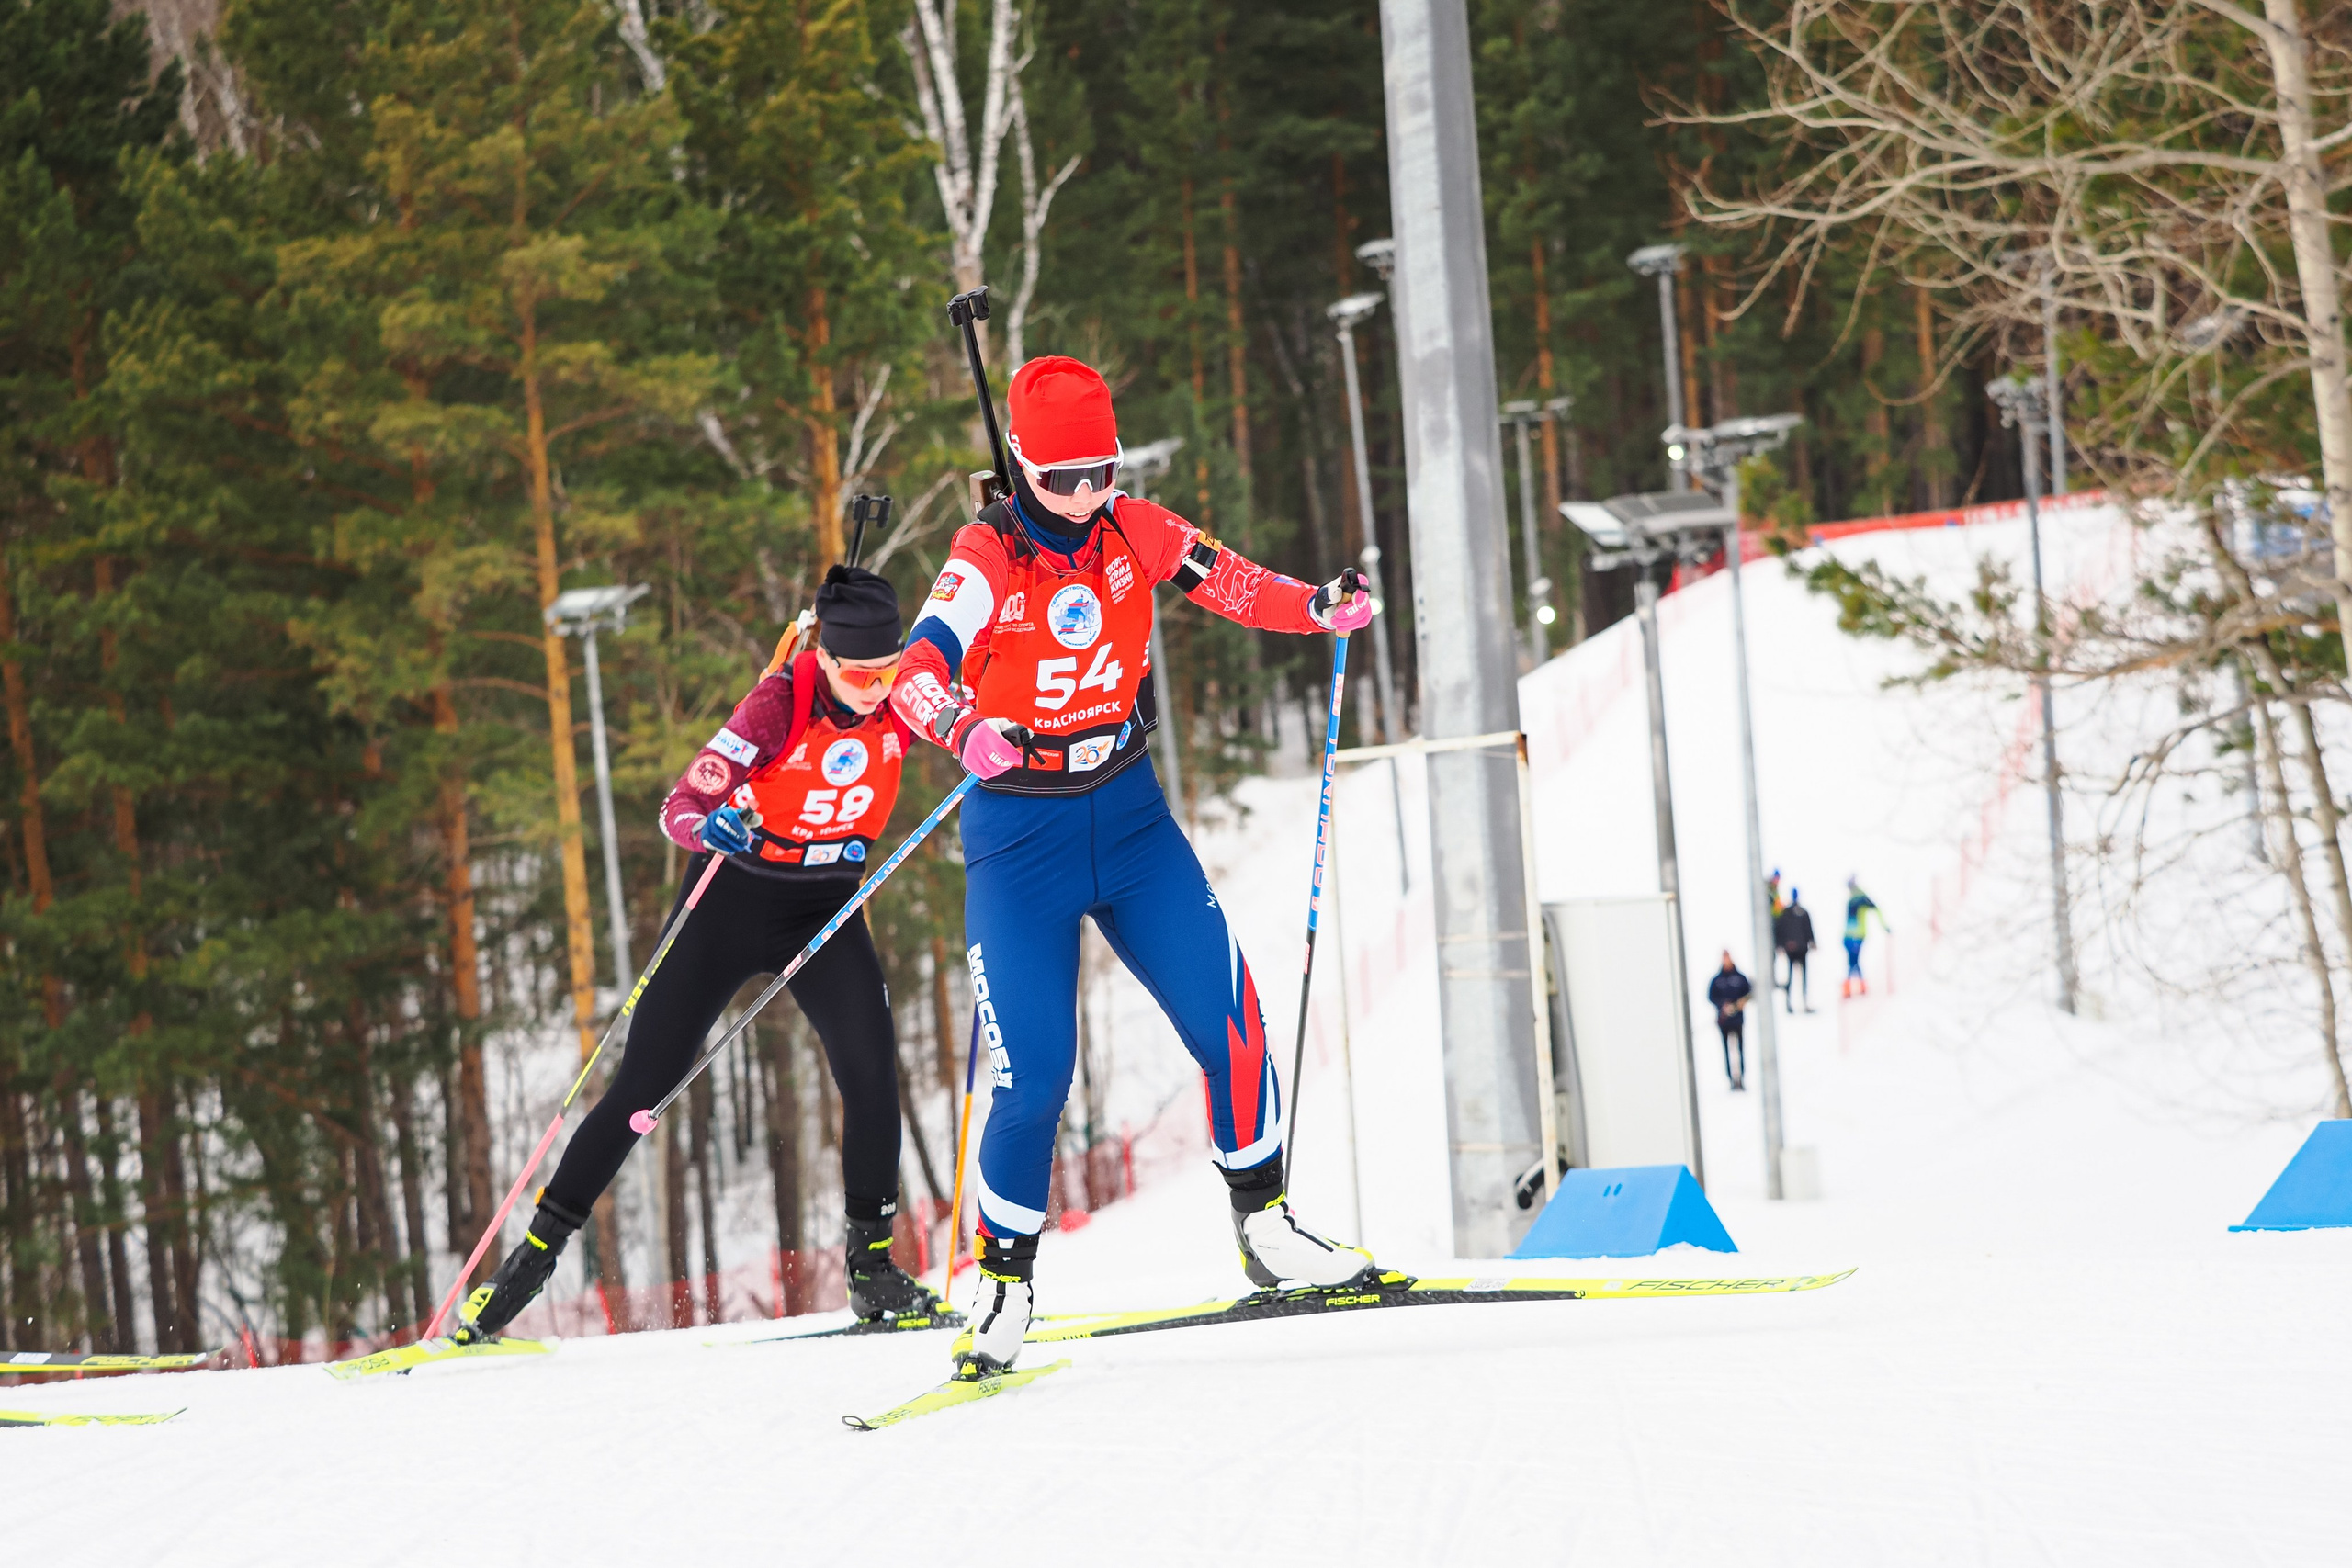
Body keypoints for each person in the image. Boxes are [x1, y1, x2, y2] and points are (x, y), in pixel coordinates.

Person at [891, 355, 1380, 1374]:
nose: (1084, 494)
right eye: (1063, 476)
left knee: (1231, 1021)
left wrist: (1318, 607)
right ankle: (1006, 1284)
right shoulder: (984, 554)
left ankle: (1266, 1224)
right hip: (1019, 840)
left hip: (1129, 817)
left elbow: (1236, 584)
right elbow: (919, 667)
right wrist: (957, 723)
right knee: (1033, 1081)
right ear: (1021, 461)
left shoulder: (1134, 528)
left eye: (1101, 471)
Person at [452, 566, 937, 1342]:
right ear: (827, 658)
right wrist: (707, 827)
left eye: (888, 672)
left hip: (826, 906)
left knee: (873, 1073)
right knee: (641, 1091)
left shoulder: (906, 692)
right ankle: (528, 1265)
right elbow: (683, 801)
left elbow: (974, 708)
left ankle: (873, 1270)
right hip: (732, 903)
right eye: (859, 673)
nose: (877, 689)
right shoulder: (780, 702)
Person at [1706, 952, 1751, 1089]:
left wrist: (1739, 1004)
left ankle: (1741, 1077)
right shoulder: (1717, 979)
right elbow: (1711, 997)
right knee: (1726, 1050)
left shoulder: (1739, 977)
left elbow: (1749, 992)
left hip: (1737, 1020)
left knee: (1740, 1049)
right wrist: (1722, 1005)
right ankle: (1730, 1078)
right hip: (1724, 1021)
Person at [1842, 876, 1888, 998]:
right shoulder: (1851, 898)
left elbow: (1876, 909)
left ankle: (1855, 987)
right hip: (1848, 936)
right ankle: (1855, 987)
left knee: (1853, 962)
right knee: (1852, 962)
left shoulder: (1861, 898)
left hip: (1857, 937)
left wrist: (1884, 926)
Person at [1774, 888, 1816, 1014]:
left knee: (1800, 978)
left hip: (1800, 949)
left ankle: (1801, 1002)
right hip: (1794, 949)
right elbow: (1779, 930)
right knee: (1793, 978)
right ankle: (1790, 1003)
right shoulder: (1788, 913)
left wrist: (1812, 941)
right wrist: (1781, 944)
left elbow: (1808, 929)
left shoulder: (1800, 913)